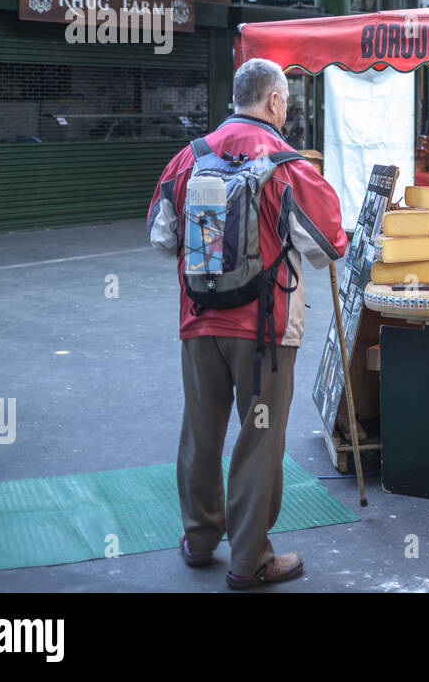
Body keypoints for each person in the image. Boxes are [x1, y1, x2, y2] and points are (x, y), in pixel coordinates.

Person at [147, 58, 347, 589]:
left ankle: (199, 538)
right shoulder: (289, 166)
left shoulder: (188, 159)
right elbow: (330, 246)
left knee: (201, 432)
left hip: (198, 322)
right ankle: (250, 558)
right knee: (260, 438)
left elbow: (161, 238)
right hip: (266, 332)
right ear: (275, 103)